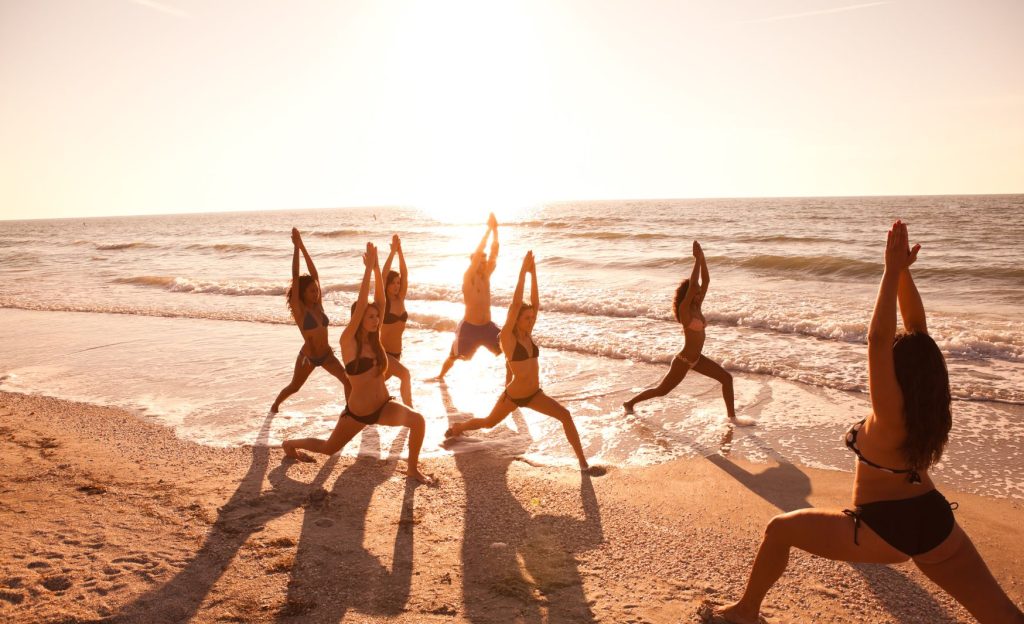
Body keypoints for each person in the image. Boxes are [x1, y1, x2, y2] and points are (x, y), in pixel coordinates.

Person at [709, 221, 1024, 624]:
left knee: (778, 529)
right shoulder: (927, 403)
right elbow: (917, 331)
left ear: (899, 371)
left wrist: (890, 271)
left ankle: (746, 611)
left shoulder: (890, 412)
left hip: (881, 529)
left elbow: (878, 340)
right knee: (999, 613)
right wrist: (905, 272)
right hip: (934, 517)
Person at [282, 243, 432, 484]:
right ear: (359, 319)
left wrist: (375, 269)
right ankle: (289, 443)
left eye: (376, 317)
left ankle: (412, 469)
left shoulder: (375, 342)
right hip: (357, 414)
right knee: (328, 448)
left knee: (418, 421)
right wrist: (367, 273)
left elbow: (379, 302)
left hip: (383, 407)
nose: (375, 320)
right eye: (370, 317)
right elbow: (363, 304)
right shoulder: (348, 342)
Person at [445, 251, 593, 472]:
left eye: (532, 317)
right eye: (527, 317)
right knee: (487, 422)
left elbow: (535, 303)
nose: (531, 319)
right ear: (516, 319)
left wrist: (534, 274)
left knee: (566, 416)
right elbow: (516, 305)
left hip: (534, 395)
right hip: (513, 395)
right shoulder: (508, 337)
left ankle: (582, 462)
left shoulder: (527, 334)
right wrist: (522, 273)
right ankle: (459, 428)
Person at [623, 241, 752, 426]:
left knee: (726, 378)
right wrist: (697, 261)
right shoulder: (685, 310)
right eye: (696, 292)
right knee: (661, 391)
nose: (699, 294)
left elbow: (705, 281)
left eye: (700, 293)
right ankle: (629, 403)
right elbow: (693, 285)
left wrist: (703, 256)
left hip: (697, 358)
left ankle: (732, 419)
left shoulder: (697, 306)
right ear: (688, 294)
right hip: (683, 361)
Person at [271, 228, 350, 413]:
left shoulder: (318, 305)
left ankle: (350, 412)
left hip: (327, 355)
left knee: (347, 381)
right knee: (294, 387)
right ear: (303, 293)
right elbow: (296, 273)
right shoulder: (300, 311)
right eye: (312, 291)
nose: (316, 293)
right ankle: (275, 405)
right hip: (308, 358)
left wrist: (304, 246)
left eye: (317, 290)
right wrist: (296, 248)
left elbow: (315, 275)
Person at [433, 213, 506, 382]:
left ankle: (511, 385)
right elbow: (480, 252)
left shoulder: (486, 276)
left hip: (488, 327)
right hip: (469, 329)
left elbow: (494, 251)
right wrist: (488, 230)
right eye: (481, 260)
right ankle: (440, 377)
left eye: (484, 260)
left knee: (508, 348)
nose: (484, 262)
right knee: (455, 356)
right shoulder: (468, 278)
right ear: (473, 262)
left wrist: (496, 230)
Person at [381, 234, 413, 406]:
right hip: (383, 354)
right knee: (405, 375)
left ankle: (358, 408)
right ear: (386, 284)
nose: (397, 285)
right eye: (393, 283)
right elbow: (382, 274)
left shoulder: (400, 298)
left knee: (375, 386)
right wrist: (392, 252)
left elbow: (405, 273)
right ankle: (411, 411)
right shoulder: (383, 303)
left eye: (398, 283)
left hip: (397, 354)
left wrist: (400, 252)